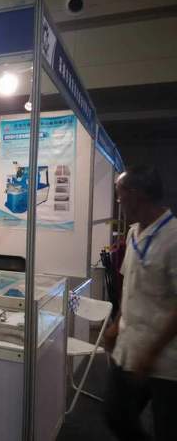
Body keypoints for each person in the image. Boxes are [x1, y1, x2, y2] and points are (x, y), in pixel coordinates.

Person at [104, 165, 177, 441]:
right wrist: (116, 324)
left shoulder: (173, 237)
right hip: (129, 348)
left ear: (136, 195)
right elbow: (130, 288)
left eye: (119, 194)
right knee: (116, 416)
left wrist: (152, 352)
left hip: (165, 360)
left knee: (167, 429)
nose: (118, 201)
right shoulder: (133, 233)